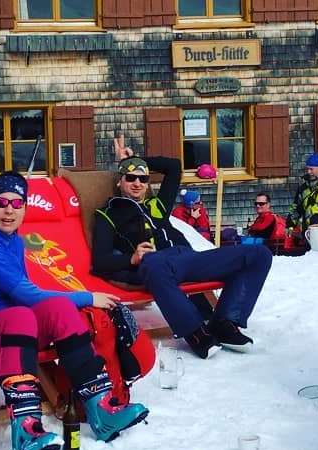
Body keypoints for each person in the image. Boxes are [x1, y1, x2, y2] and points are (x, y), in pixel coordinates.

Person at [0, 171, 149, 450]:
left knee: (60, 309)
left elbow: (26, 294)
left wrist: (74, 301)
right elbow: (26, 295)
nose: (9, 210)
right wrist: (88, 296)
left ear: (25, 207)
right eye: (2, 202)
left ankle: (102, 409)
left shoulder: (13, 241)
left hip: (13, 321)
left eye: (17, 203)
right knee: (23, 315)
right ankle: (26, 430)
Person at [91, 137, 273, 359]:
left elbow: (174, 166)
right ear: (120, 182)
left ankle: (225, 322)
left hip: (188, 259)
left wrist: (135, 159)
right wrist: (131, 259)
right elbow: (100, 260)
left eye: (143, 178)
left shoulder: (157, 205)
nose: (137, 183)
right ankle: (195, 332)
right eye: (130, 178)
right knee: (153, 262)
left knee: (259, 254)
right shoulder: (107, 214)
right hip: (156, 264)